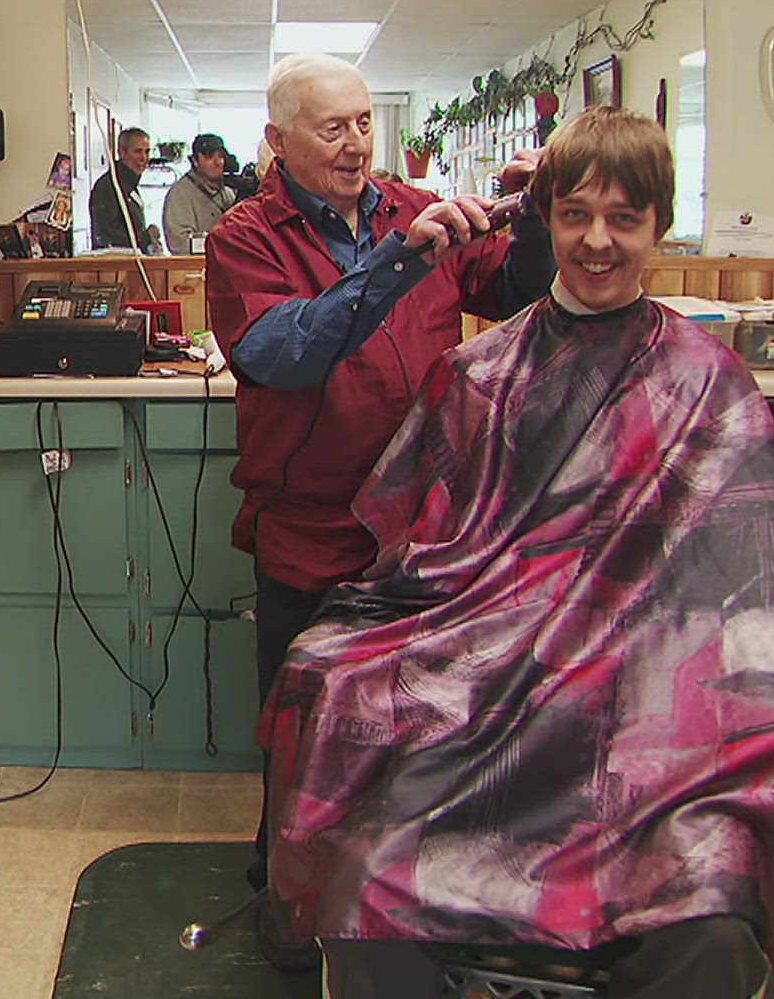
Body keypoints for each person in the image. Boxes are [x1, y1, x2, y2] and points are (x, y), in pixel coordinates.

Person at [263, 107, 774, 999]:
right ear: (545, 220)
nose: (597, 241)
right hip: (494, 676)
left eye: (623, 218)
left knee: (712, 900)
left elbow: (763, 583)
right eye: (576, 214)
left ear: (657, 227)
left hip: (659, 689)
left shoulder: (710, 382)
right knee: (371, 856)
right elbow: (426, 564)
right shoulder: (479, 376)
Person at [203, 51, 556, 970]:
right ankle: (283, 908)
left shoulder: (411, 207)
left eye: (364, 122)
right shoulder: (246, 236)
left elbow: (514, 291)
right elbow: (286, 353)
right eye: (333, 128)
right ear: (277, 142)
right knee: (302, 739)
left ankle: (386, 918)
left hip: (423, 536)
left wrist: (537, 218)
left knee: (406, 738)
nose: (357, 143)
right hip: (309, 532)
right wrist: (399, 266)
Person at [161, 132, 237, 255]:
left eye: (220, 156)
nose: (217, 162)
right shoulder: (180, 194)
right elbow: (179, 244)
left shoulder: (228, 194)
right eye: (209, 157)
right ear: (195, 160)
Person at [89, 126, 153, 250]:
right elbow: (106, 236)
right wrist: (146, 237)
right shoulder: (108, 187)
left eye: (147, 151)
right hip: (117, 265)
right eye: (138, 151)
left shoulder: (130, 185)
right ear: (122, 152)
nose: (144, 158)